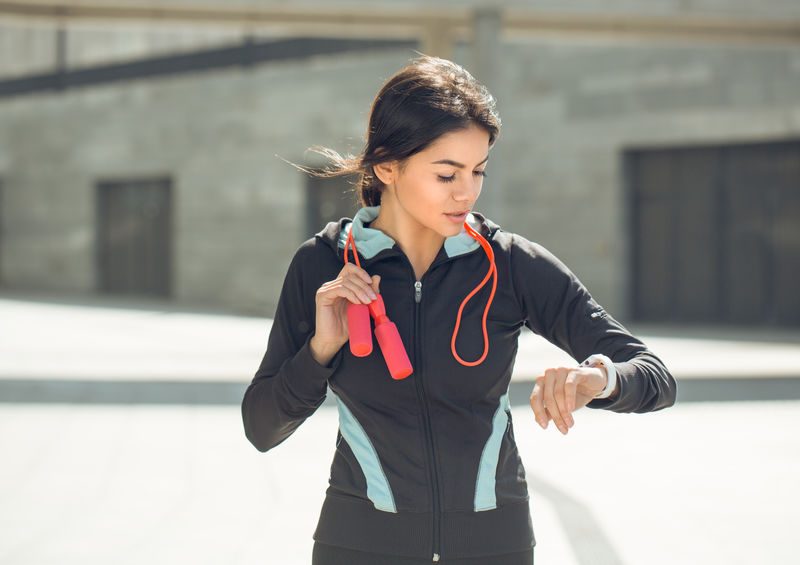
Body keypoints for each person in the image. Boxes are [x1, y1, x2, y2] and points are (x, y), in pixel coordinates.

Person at [241, 54, 677, 564]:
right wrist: (319, 350)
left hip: (493, 545)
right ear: (387, 166)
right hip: (359, 544)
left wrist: (598, 379)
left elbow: (655, 377)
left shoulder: (510, 265)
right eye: (447, 174)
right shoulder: (324, 264)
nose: (466, 192)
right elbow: (262, 427)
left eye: (478, 171)